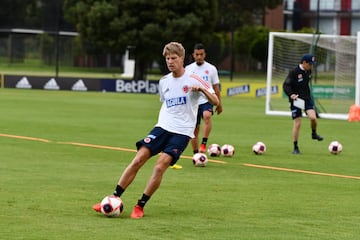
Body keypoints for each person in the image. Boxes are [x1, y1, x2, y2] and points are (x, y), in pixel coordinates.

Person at [92, 42, 219, 218]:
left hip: (182, 133)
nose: (170, 61)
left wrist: (203, 92)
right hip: (162, 128)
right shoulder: (164, 81)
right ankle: (113, 198)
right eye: (167, 58)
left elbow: (216, 102)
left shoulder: (194, 78)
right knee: (138, 160)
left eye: (174, 58)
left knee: (160, 167)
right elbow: (166, 104)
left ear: (182, 59)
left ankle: (140, 206)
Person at [185, 43, 223, 154]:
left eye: (201, 54)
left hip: (207, 99)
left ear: (204, 54)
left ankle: (204, 143)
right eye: (197, 54)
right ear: (193, 55)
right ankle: (196, 153)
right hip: (193, 102)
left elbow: (216, 87)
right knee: (194, 129)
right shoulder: (188, 69)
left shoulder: (211, 69)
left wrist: (219, 104)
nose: (199, 57)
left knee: (207, 116)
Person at [283, 53, 323, 154]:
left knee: (313, 118)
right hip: (296, 100)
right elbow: (286, 85)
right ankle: (295, 147)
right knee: (298, 123)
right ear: (304, 63)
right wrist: (291, 94)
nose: (311, 66)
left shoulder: (309, 71)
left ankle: (314, 134)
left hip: (306, 99)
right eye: (310, 64)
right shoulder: (293, 72)